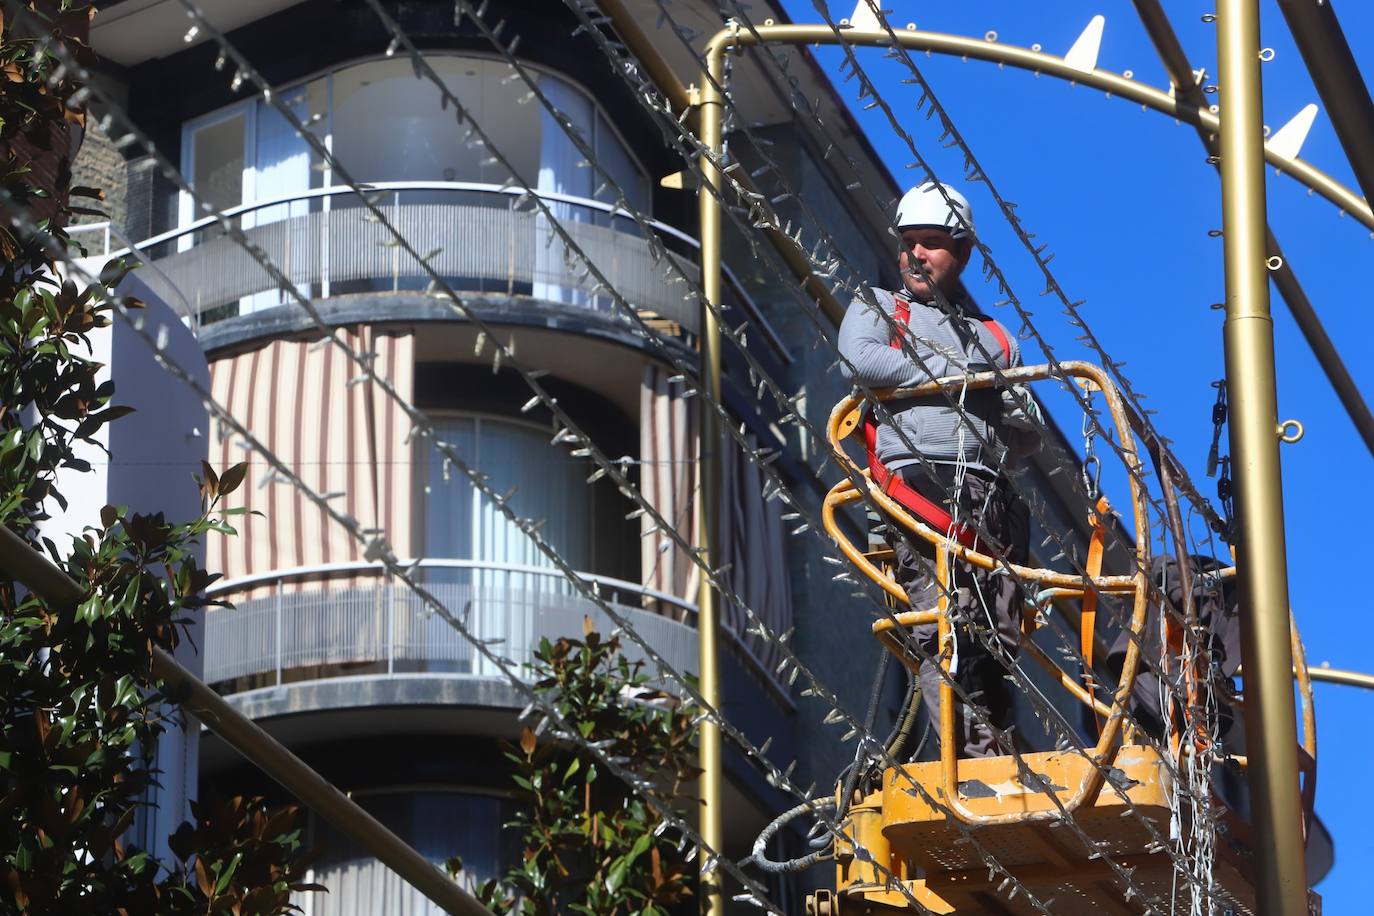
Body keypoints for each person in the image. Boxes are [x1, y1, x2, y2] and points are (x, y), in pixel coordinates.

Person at [837, 181, 1040, 758]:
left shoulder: (996, 338)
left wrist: (1015, 409)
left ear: (963, 253)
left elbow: (1023, 438)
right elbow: (861, 359)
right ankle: (966, 762)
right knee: (940, 627)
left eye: (932, 243)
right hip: (920, 488)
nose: (916, 255)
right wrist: (962, 375)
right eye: (909, 243)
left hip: (989, 498)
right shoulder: (879, 307)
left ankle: (993, 755)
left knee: (993, 636)